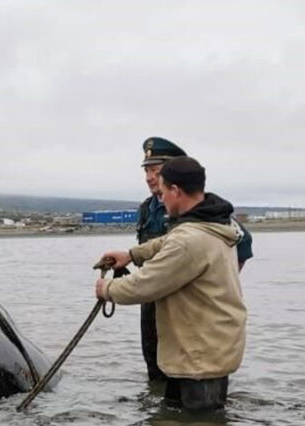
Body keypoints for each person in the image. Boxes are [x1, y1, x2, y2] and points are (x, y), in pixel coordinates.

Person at [96, 156, 247, 411]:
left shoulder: (189, 239)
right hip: (207, 350)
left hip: (199, 360)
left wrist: (107, 289)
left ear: (176, 191)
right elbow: (166, 242)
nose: (161, 198)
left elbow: (143, 285)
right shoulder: (213, 222)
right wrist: (132, 255)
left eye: (164, 191)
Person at [134, 137, 253, 382]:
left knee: (191, 369)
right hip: (152, 298)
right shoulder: (147, 209)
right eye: (147, 170)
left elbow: (243, 241)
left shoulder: (202, 208)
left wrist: (212, 285)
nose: (149, 177)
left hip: (188, 307)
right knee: (154, 364)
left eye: (156, 171)